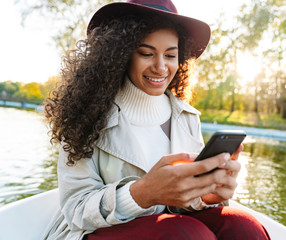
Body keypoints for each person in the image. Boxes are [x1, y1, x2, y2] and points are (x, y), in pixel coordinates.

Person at [43, 0, 271, 239]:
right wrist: (142, 193)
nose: (161, 67)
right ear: (121, 55)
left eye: (170, 55)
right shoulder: (86, 113)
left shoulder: (187, 116)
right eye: (147, 53)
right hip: (95, 232)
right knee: (186, 235)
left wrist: (206, 196)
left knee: (244, 227)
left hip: (172, 226)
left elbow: (181, 205)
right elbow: (77, 209)